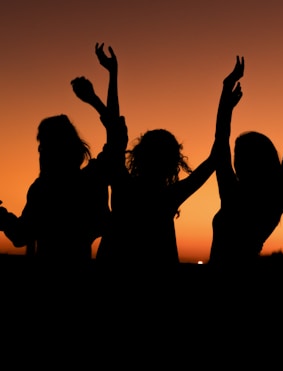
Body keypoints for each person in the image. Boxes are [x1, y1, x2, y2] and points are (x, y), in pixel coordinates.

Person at [79, 42, 218, 265]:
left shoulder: (123, 184)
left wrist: (110, 77)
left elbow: (115, 132)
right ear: (173, 163)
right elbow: (214, 159)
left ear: (138, 155)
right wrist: (226, 105)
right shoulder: (168, 196)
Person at [209, 55, 283, 266]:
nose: (235, 161)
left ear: (249, 161)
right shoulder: (277, 196)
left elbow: (221, 139)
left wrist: (226, 92)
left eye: (238, 155)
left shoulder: (233, 194)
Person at [0, 84, 115, 261]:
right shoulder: (91, 179)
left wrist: (1, 216)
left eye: (44, 147)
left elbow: (21, 235)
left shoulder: (43, 189)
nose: (41, 153)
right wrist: (94, 100)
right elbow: (116, 138)